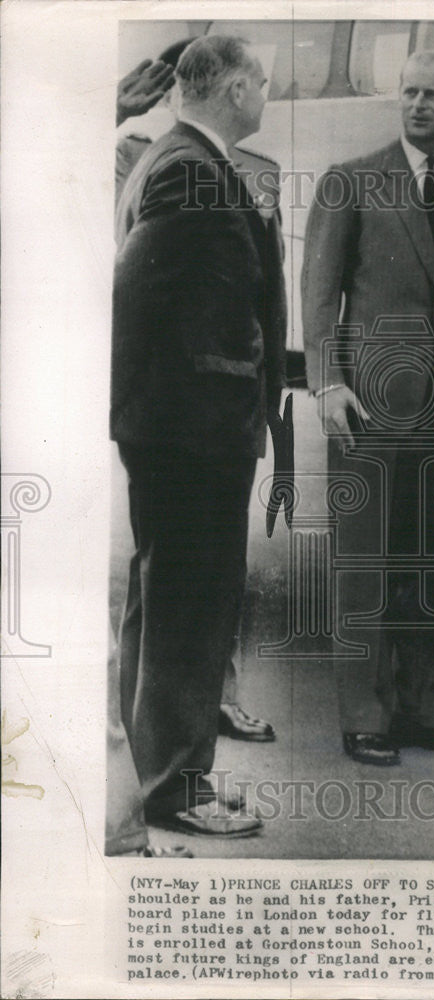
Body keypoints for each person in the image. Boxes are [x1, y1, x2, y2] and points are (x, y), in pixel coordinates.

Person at [302, 50, 434, 765]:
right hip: (368, 404)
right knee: (364, 564)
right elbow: (320, 297)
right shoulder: (350, 181)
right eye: (408, 92)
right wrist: (327, 383)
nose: (417, 104)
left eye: (432, 94)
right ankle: (365, 717)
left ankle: (429, 710)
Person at [112, 35, 286, 836]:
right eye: (257, 81)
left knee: (163, 606)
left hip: (180, 425)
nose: (264, 93)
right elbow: (137, 297)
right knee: (188, 608)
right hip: (191, 433)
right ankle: (176, 793)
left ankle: (161, 776)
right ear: (229, 89)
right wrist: (147, 414)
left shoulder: (179, 159)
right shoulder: (189, 169)